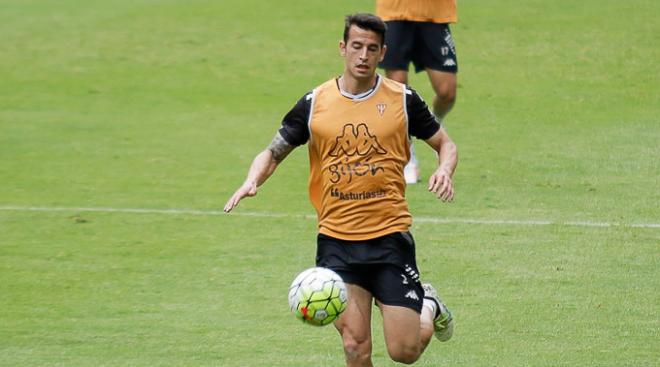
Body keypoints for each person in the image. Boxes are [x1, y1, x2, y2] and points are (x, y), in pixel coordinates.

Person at [224, 13, 457, 366]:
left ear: (383, 53)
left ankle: (429, 304)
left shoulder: (403, 99)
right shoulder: (315, 102)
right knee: (354, 346)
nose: (363, 56)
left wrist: (445, 169)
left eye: (372, 49)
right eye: (357, 46)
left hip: (389, 238)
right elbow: (273, 151)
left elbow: (445, 144)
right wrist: (252, 180)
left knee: (404, 351)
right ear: (343, 48)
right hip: (337, 243)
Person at [376, 0, 459, 184]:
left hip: (434, 13)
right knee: (398, 90)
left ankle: (435, 124)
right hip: (395, 12)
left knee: (447, 92)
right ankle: (408, 154)